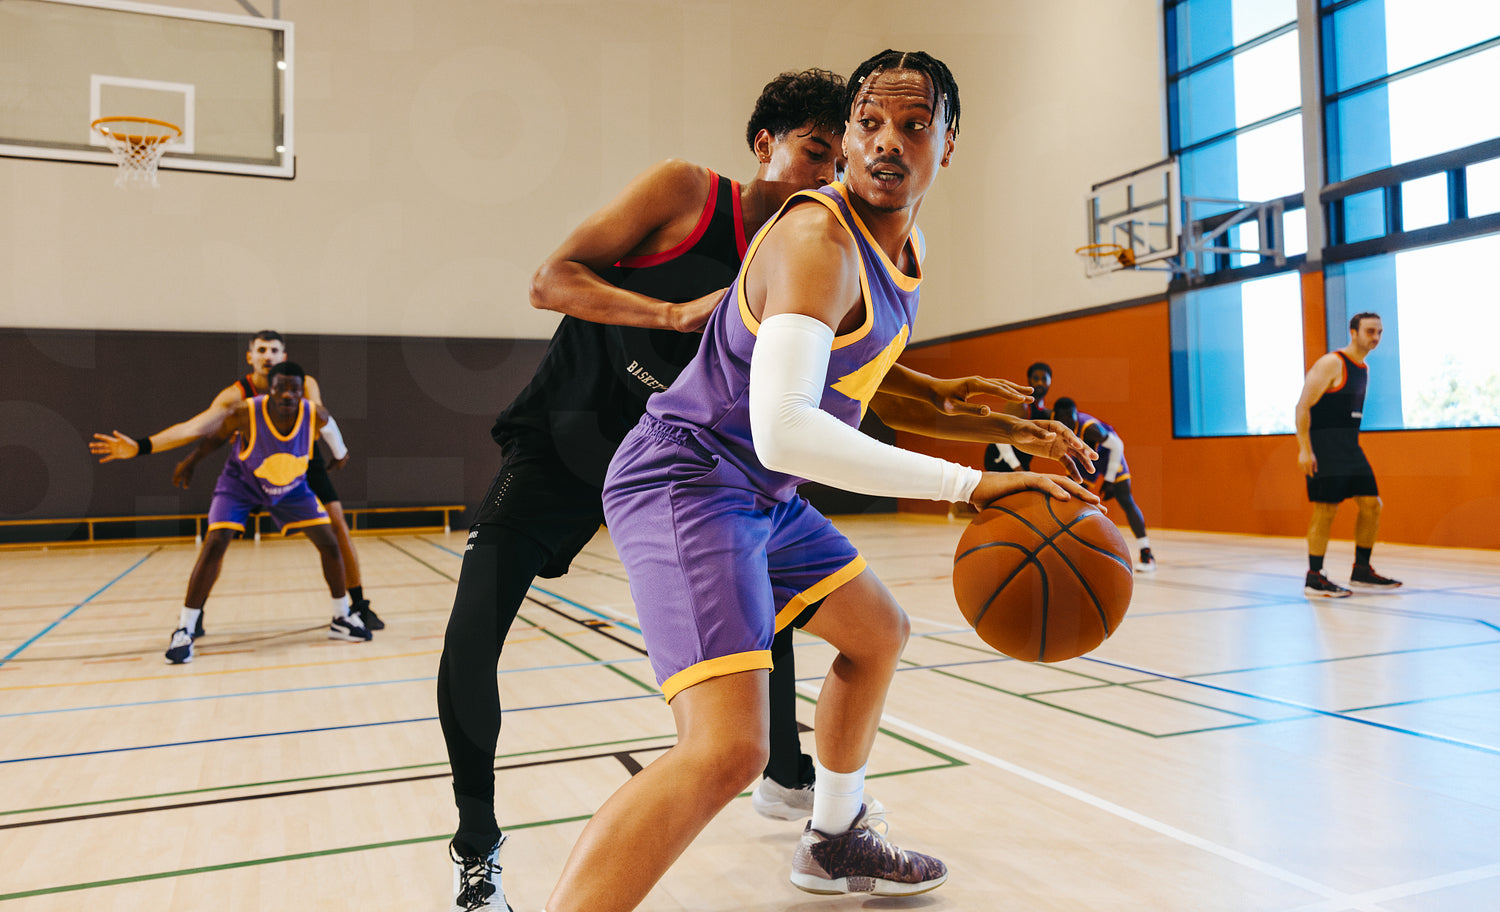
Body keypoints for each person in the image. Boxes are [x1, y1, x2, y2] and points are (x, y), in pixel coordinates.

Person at [544, 50, 1101, 912]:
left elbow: (856, 388)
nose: (887, 142)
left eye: (913, 125)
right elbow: (788, 429)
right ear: (844, 138)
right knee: (728, 749)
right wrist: (970, 487)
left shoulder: (905, 246)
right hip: (688, 479)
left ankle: (836, 838)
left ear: (948, 143)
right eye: (868, 124)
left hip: (758, 492)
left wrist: (998, 430)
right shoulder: (817, 241)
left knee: (877, 632)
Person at [88, 330, 383, 633]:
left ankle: (356, 605)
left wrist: (338, 450)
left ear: (284, 356)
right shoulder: (236, 395)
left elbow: (320, 420)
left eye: (274, 350)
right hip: (251, 467)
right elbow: (196, 428)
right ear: (250, 356)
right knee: (219, 538)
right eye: (261, 350)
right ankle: (193, 617)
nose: (268, 356)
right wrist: (141, 446)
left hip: (297, 460)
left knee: (336, 525)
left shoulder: (303, 383)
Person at [1294, 311, 1402, 597]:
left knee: (1372, 505)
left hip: (1351, 448)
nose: (1376, 337)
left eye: (1379, 332)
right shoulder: (1332, 363)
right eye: (1370, 331)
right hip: (1325, 448)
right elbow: (1302, 406)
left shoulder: (1363, 368)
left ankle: (1362, 571)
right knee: (1325, 510)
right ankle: (1314, 577)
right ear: (1354, 333)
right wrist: (1305, 449)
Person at [1049, 397, 1156, 572]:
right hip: (1086, 458)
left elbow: (1117, 445)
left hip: (1109, 455)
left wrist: (1109, 480)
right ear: (1056, 417)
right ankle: (1064, 550)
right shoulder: (1053, 422)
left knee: (1125, 499)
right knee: (1068, 498)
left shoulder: (1090, 428)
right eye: (1063, 418)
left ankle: (1146, 553)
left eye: (1071, 417)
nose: (1067, 421)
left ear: (1076, 413)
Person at [986, 361, 1053, 473]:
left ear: (1050, 381)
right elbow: (1001, 434)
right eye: (1036, 378)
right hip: (1002, 461)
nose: (1040, 382)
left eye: (1044, 379)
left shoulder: (1044, 411)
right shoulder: (1020, 404)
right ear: (1029, 380)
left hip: (1020, 463)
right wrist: (1016, 467)